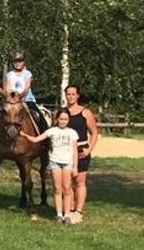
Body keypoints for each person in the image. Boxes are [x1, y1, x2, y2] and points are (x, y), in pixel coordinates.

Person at [23, 109, 79, 224]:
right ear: (57, 119)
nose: (63, 121)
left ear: (68, 120)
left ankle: (67, 214)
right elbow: (35, 139)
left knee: (67, 189)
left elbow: (75, 151)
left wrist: (75, 166)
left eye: (65, 119)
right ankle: (59, 215)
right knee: (58, 189)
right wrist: (24, 135)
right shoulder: (52, 131)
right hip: (55, 162)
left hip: (67, 163)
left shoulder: (72, 133)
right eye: (61, 119)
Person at [0, 50, 47, 146]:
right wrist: (10, 96)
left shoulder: (27, 74)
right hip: (11, 100)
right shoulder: (9, 75)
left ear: (23, 62)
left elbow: (27, 87)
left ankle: (43, 138)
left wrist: (20, 95)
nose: (18, 63)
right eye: (16, 61)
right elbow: (7, 88)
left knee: (38, 115)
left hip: (26, 99)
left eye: (20, 61)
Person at [65, 84, 97, 224]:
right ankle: (69, 209)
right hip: (65, 152)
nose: (70, 96)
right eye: (68, 94)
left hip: (81, 151)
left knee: (79, 181)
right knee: (67, 183)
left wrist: (89, 150)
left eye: (73, 94)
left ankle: (78, 211)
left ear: (78, 95)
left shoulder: (85, 113)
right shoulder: (61, 113)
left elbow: (94, 132)